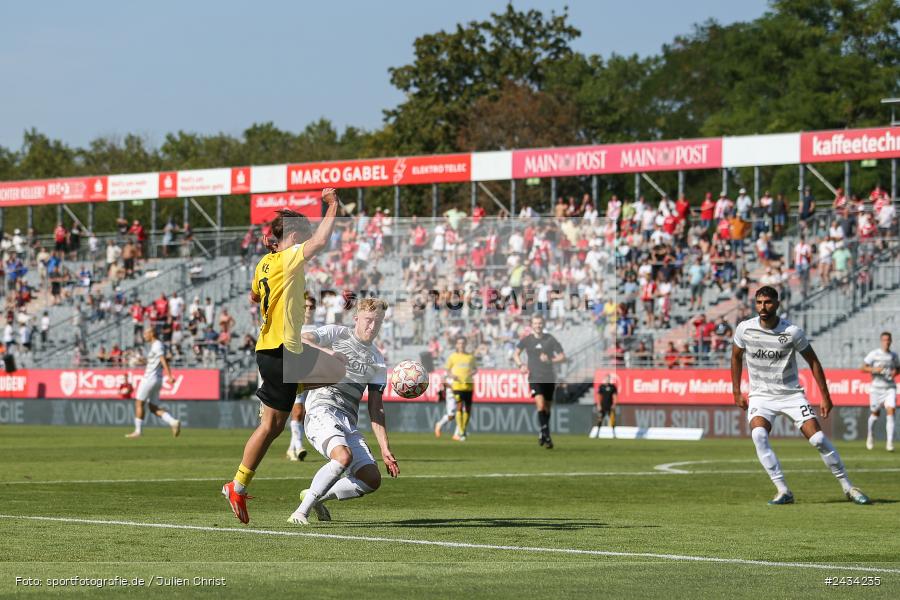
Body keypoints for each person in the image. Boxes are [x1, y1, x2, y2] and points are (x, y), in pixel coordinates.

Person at [222, 189, 345, 525]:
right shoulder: (288, 258)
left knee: (271, 425)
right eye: (301, 238)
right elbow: (319, 242)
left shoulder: (265, 262)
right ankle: (236, 484)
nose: (307, 247)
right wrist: (332, 206)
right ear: (292, 237)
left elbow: (253, 294)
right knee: (339, 367)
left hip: (271, 350)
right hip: (283, 350)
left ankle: (239, 484)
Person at [731, 286, 870, 505]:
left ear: (777, 304)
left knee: (818, 439)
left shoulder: (792, 332)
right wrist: (737, 391)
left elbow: (813, 362)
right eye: (758, 302)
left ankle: (848, 487)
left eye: (767, 302)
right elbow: (736, 357)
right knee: (758, 435)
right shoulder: (744, 329)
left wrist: (825, 396)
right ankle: (783, 490)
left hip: (791, 395)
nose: (762, 307)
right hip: (761, 396)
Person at [287, 298, 399, 525]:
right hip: (321, 410)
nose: (372, 326)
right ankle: (300, 512)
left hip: (347, 421)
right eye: (368, 320)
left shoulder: (377, 361)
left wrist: (385, 449)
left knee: (371, 479)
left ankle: (319, 497)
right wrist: (327, 352)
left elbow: (375, 408)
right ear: (356, 318)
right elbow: (301, 338)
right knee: (343, 458)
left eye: (378, 322)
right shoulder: (336, 334)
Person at [513, 314, 566, 449]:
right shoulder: (527, 340)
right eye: (536, 323)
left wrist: (550, 360)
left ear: (543, 324)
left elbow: (562, 357)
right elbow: (516, 354)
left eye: (540, 323)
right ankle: (547, 434)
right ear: (532, 325)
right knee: (541, 405)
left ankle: (542, 432)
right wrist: (521, 365)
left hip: (549, 378)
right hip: (535, 378)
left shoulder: (550, 339)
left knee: (547, 408)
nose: (538, 326)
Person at [125, 328, 181, 439]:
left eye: (146, 333)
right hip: (157, 380)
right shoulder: (155, 346)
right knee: (153, 407)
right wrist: (143, 361)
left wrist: (169, 375)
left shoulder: (157, 345)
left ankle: (138, 431)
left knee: (139, 403)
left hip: (149, 379)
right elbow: (155, 361)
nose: (144, 335)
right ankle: (173, 422)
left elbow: (163, 360)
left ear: (152, 334)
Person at [286, 295, 320, 462]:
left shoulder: (320, 328)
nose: (308, 310)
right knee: (298, 411)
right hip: (296, 372)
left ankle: (292, 448)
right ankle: (298, 446)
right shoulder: (294, 325)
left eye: (311, 307)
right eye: (305, 306)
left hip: (314, 376)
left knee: (306, 413)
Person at [861, 332, 899, 452]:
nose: (886, 342)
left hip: (890, 387)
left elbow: (898, 368)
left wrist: (895, 372)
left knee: (891, 410)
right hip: (876, 388)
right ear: (881, 341)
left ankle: (889, 443)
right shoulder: (874, 354)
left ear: (891, 341)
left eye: (888, 340)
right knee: (875, 414)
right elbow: (862, 367)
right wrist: (874, 369)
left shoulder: (894, 355)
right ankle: (870, 435)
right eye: (884, 340)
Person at [445, 336, 477, 441]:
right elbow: (447, 370)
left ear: (466, 344)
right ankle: (462, 431)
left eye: (463, 343)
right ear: (456, 345)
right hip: (457, 385)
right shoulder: (452, 357)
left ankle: (463, 428)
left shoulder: (470, 357)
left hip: (468, 385)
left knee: (467, 408)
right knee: (459, 406)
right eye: (459, 343)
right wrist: (452, 376)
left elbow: (475, 369)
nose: (461, 345)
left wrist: (472, 372)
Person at [590, 374, 617, 439]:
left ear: (610, 379)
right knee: (600, 419)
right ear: (605, 379)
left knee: (612, 420)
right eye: (606, 378)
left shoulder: (613, 387)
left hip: (610, 406)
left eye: (608, 378)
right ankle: (597, 434)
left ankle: (614, 434)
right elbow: (599, 396)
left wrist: (614, 404)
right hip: (603, 406)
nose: (607, 380)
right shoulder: (601, 387)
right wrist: (598, 405)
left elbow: (614, 396)